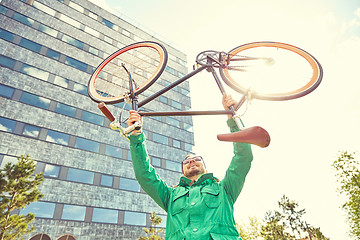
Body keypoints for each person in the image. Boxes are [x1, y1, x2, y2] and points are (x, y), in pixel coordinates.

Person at [127, 94, 253, 240]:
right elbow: (145, 175)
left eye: (196, 159)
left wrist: (232, 118)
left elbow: (243, 158)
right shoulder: (170, 195)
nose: (191, 161)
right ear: (182, 171)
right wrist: (136, 135)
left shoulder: (225, 189)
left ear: (205, 167)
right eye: (187, 162)